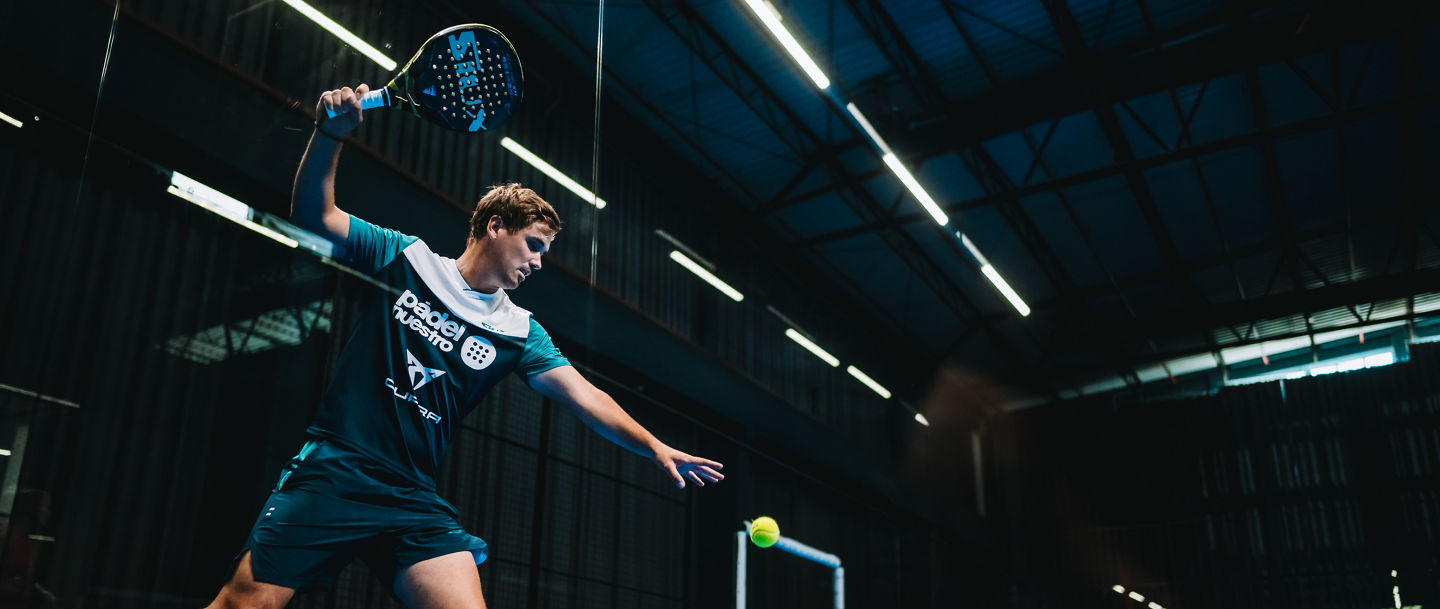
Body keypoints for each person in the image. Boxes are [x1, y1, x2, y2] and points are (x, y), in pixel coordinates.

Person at [204, 84, 725, 609]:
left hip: (410, 496)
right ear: (496, 226)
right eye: (535, 245)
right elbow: (316, 215)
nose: (540, 262)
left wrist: (653, 444)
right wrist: (330, 134)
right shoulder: (406, 258)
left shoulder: (519, 329)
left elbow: (586, 397)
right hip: (337, 470)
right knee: (245, 603)